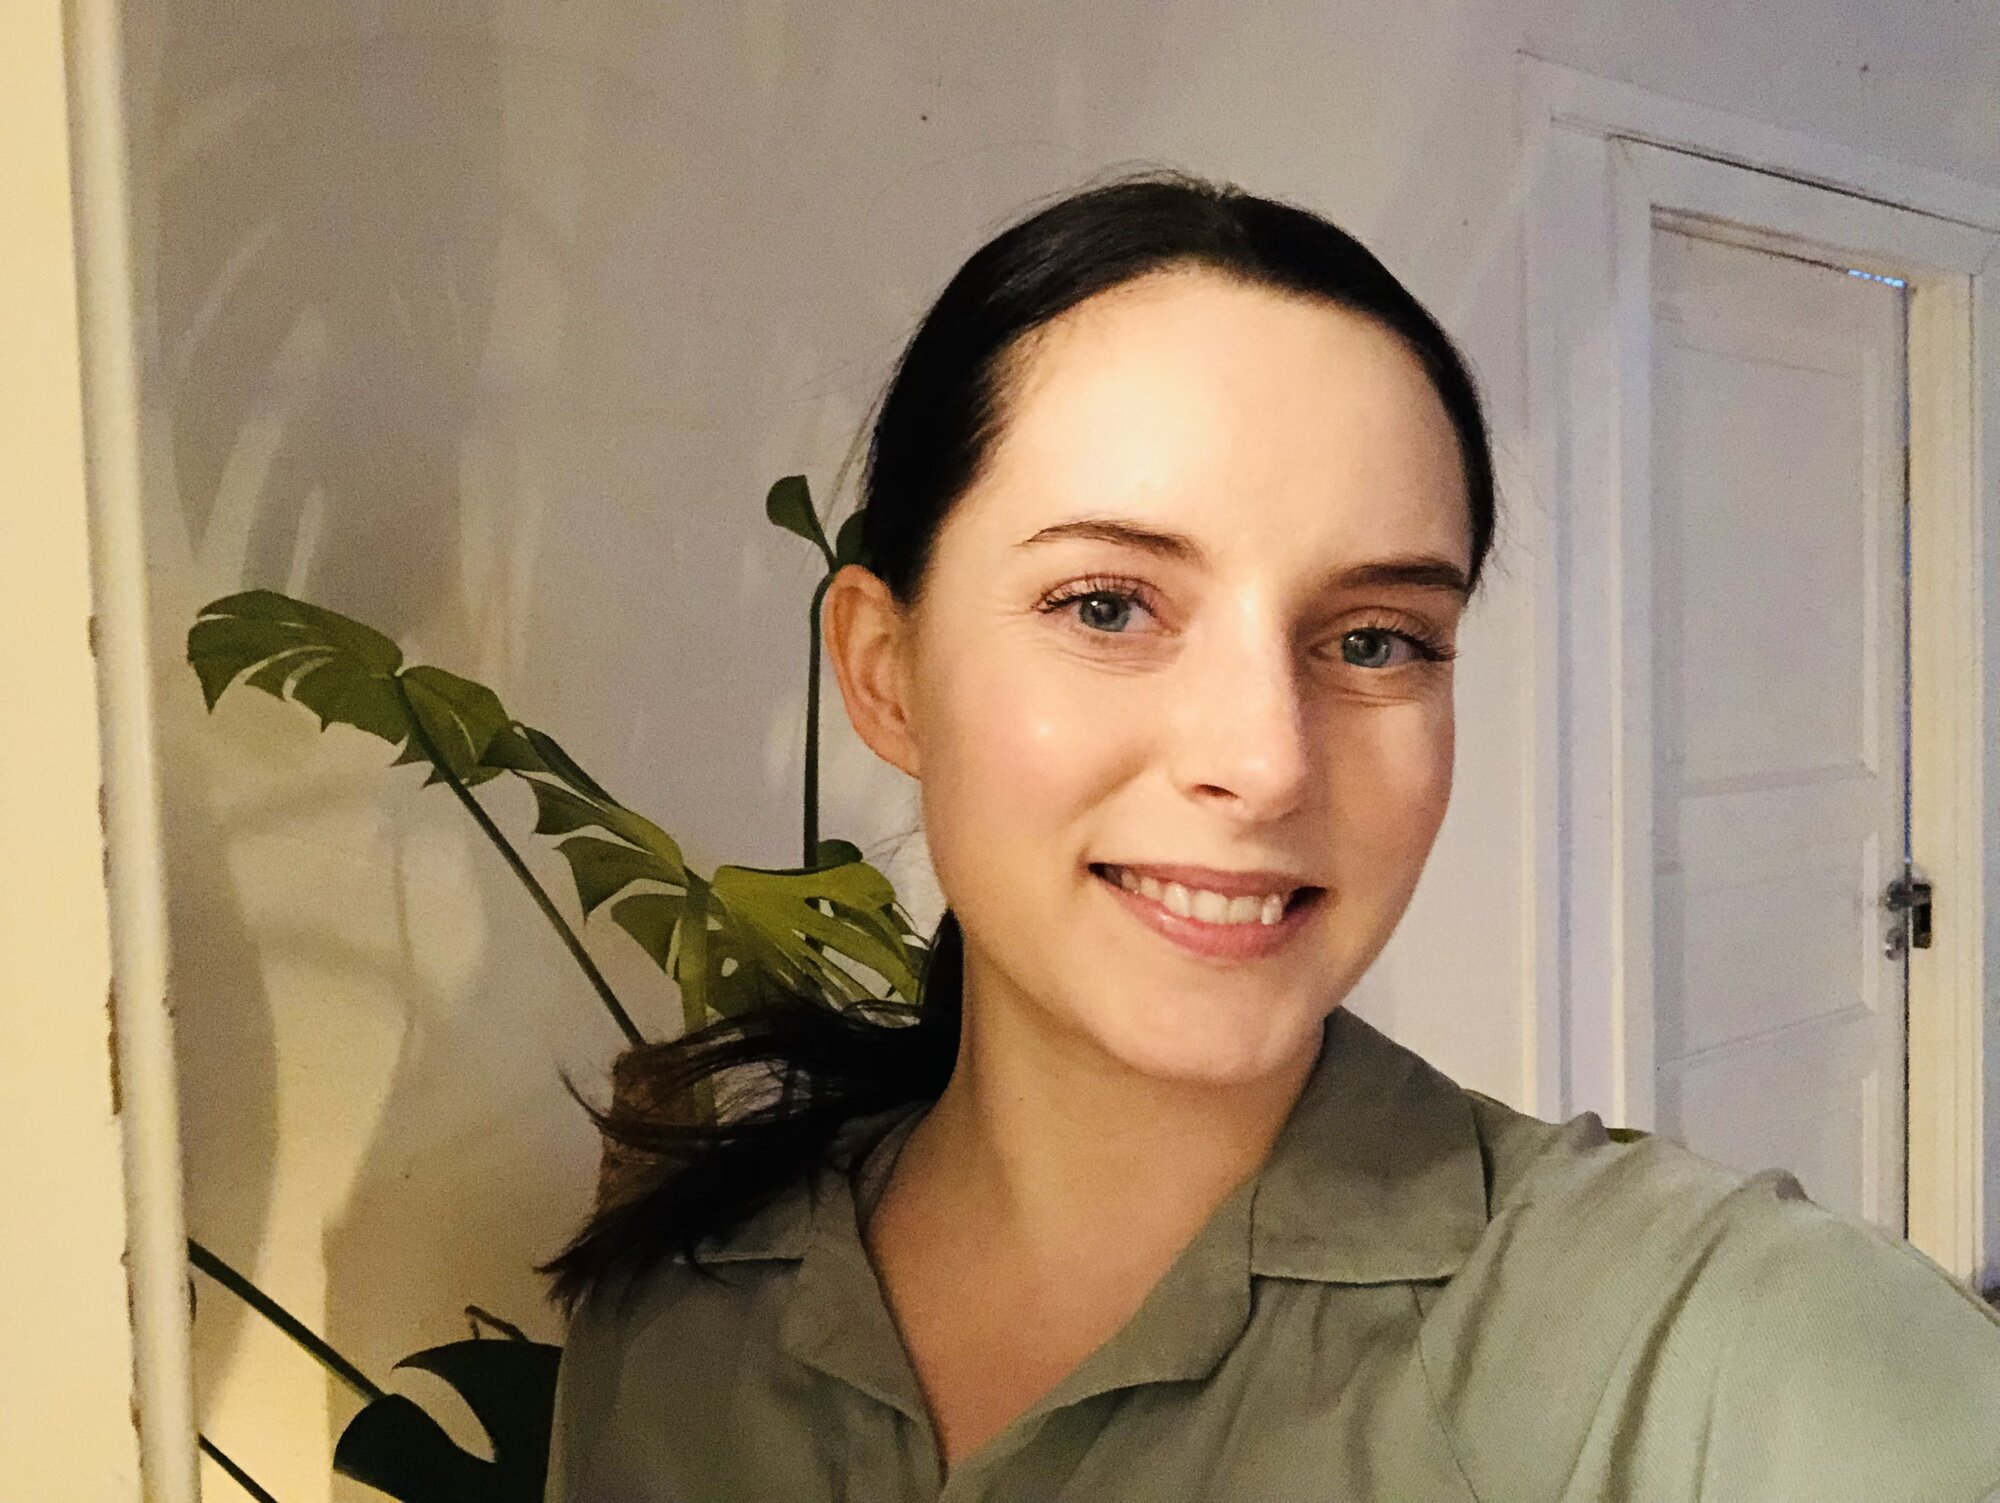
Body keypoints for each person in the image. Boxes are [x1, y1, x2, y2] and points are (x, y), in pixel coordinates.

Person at [537, 171, 2000, 1502]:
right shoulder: (680, 1317)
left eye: (1374, 639)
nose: (1265, 762)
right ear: (885, 671)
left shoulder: (1724, 1346)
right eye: (1108, 605)